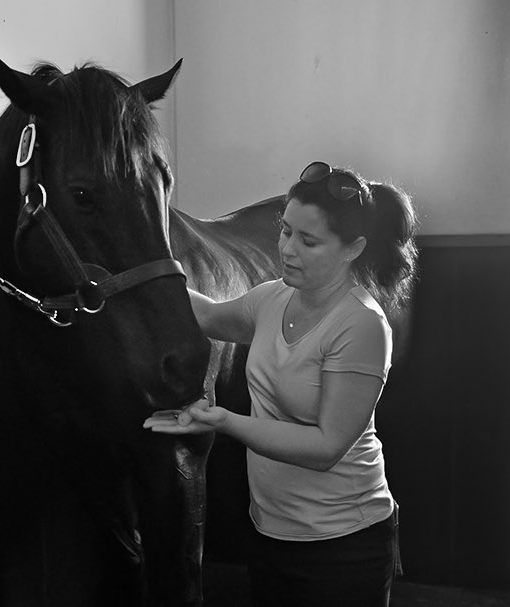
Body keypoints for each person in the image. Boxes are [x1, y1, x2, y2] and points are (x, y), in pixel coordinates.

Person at [143, 161, 418, 607]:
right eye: (285, 231)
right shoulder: (273, 297)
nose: (288, 249)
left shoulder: (362, 325)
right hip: (271, 533)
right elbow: (211, 315)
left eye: (308, 241)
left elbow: (325, 447)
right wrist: (147, 273)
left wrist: (223, 421)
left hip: (344, 544)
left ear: (353, 249)